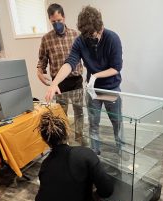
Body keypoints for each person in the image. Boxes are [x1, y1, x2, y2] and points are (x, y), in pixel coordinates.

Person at [45, 5, 123, 155]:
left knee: (117, 122)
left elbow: (116, 67)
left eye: (93, 36)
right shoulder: (81, 41)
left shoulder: (112, 38)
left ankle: (121, 149)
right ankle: (95, 153)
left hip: (110, 88)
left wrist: (95, 75)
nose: (91, 40)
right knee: (93, 123)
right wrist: (54, 83)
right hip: (92, 90)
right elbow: (70, 62)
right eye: (87, 37)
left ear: (101, 28)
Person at [37, 3, 84, 143]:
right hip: (58, 83)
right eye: (53, 22)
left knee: (79, 111)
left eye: (59, 20)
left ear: (64, 17)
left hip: (76, 80)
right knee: (61, 113)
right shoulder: (46, 39)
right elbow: (42, 60)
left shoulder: (76, 35)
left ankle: (80, 136)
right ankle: (64, 140)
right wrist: (39, 72)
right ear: (50, 20)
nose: (57, 24)